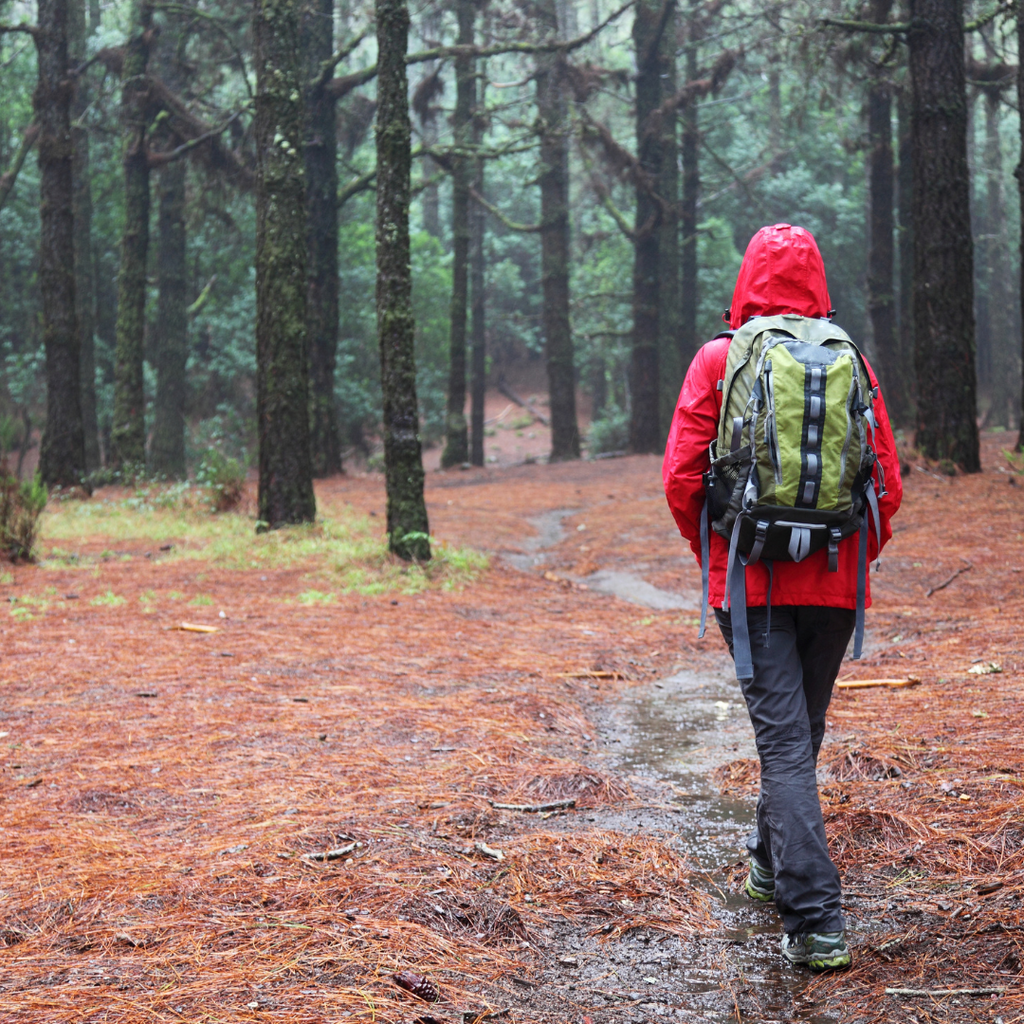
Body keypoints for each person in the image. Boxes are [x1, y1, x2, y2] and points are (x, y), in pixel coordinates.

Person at [662, 224, 902, 971]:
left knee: (786, 747)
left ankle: (815, 919)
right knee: (802, 738)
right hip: (834, 585)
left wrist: (720, 556)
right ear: (818, 281)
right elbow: (886, 485)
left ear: (746, 280)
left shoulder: (720, 358)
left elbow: (680, 476)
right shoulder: (849, 358)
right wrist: (848, 558)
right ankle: (770, 864)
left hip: (752, 586)